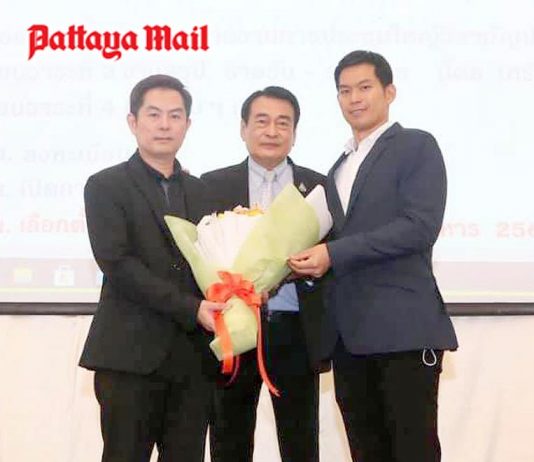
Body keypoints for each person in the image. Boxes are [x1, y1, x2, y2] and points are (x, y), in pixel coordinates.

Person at [288, 51, 458, 462]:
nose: (354, 99)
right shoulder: (338, 167)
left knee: (413, 450)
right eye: (344, 91)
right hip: (349, 337)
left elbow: (419, 227)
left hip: (402, 330)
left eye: (364, 87)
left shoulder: (416, 145)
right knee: (365, 451)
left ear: (389, 92)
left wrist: (332, 252)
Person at [79, 74, 225, 462]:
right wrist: (191, 308)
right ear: (133, 121)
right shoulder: (105, 186)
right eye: (154, 114)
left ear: (187, 125)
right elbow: (117, 262)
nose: (164, 125)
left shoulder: (202, 192)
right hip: (129, 357)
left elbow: (216, 260)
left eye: (175, 116)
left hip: (193, 360)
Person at [202, 86, 328, 462]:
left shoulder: (319, 188)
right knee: (229, 439)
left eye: (283, 123)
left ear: (295, 132)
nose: (272, 131)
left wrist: (310, 268)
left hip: (295, 330)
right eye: (262, 121)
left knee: (301, 441)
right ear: (243, 128)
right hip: (233, 329)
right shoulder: (211, 185)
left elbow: (333, 254)